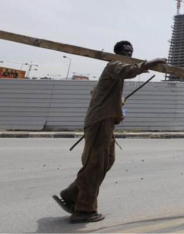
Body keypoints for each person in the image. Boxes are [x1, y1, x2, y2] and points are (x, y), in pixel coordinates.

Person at [53, 40, 166, 223]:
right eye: (125, 52)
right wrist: (149, 64)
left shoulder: (113, 76)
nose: (128, 55)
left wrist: (118, 101)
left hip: (103, 122)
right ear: (117, 53)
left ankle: (72, 194)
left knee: (106, 161)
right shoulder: (114, 65)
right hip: (100, 122)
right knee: (95, 165)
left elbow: (96, 93)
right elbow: (127, 71)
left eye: (130, 52)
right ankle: (84, 209)